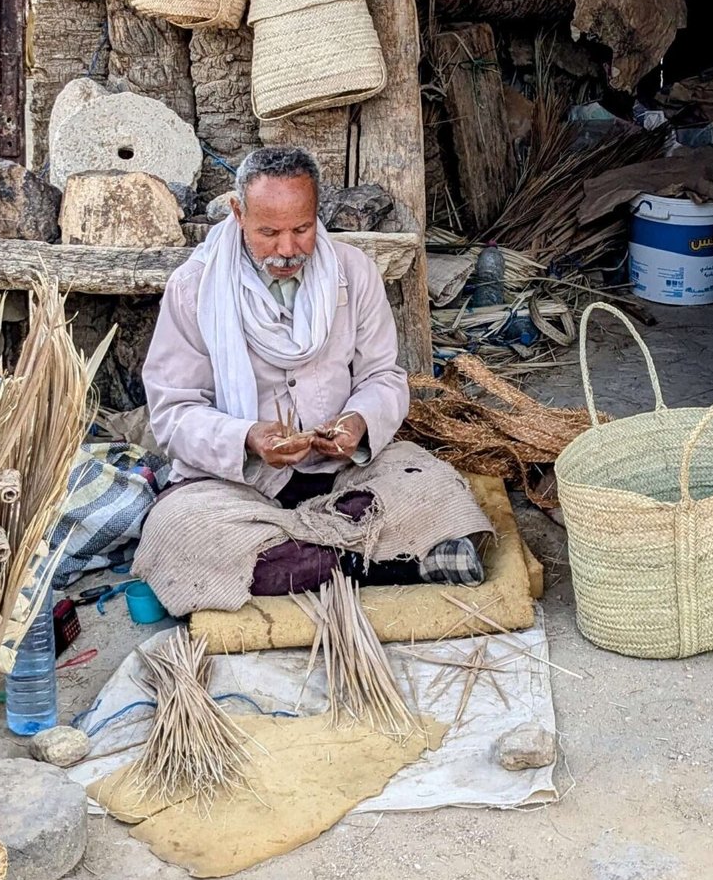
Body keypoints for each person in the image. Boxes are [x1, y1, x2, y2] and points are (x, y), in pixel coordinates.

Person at [136, 144, 490, 610]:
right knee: (180, 531)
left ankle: (303, 561)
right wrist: (248, 438)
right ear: (238, 213)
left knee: (432, 482)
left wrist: (357, 424)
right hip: (239, 485)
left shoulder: (353, 271)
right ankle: (386, 559)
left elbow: (383, 375)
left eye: (302, 229)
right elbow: (174, 411)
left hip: (342, 473)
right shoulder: (193, 288)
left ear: (316, 212)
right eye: (268, 232)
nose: (287, 249)